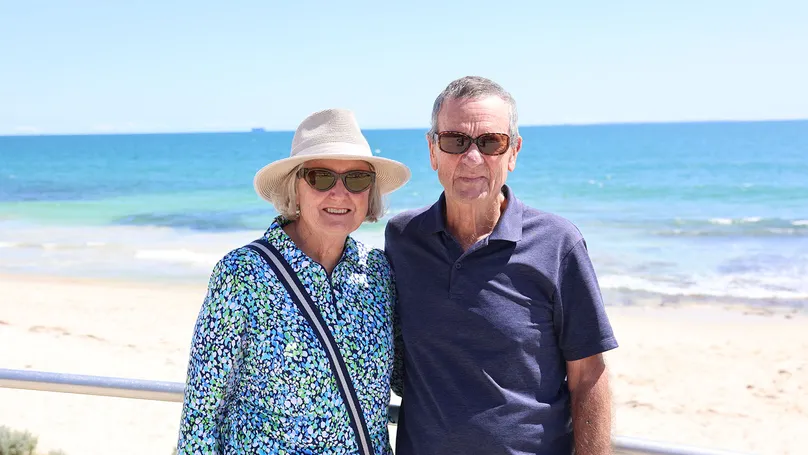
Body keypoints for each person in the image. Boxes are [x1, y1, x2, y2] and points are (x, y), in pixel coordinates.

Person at [385, 76, 618, 455]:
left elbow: (589, 373)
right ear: (432, 151)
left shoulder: (558, 242)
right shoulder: (403, 238)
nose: (472, 158)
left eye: (491, 142)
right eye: (455, 141)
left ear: (513, 152)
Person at [177, 108, 411, 454]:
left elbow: (408, 377)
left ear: (369, 193)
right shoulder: (243, 273)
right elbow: (202, 413)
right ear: (295, 189)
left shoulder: (378, 273)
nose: (340, 193)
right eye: (320, 177)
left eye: (357, 179)